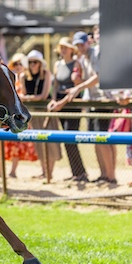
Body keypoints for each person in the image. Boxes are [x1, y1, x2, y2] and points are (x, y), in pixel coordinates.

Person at [65, 28, 118, 185]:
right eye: (78, 45)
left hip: (103, 101)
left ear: (88, 42)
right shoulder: (83, 59)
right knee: (96, 140)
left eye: (82, 44)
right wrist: (77, 84)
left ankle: (110, 176)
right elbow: (88, 81)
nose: (80, 48)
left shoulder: (97, 53)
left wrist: (78, 88)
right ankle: (104, 174)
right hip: (92, 101)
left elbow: (99, 77)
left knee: (103, 140)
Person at [0, 52, 38, 178]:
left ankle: (12, 172)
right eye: (16, 63)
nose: (18, 66)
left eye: (21, 63)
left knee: (16, 146)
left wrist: (21, 79)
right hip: (2, 116)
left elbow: (23, 95)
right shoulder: (7, 77)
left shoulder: (23, 78)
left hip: (16, 116)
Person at [48, 37, 88, 182]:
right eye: (61, 47)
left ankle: (80, 172)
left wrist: (77, 81)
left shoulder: (77, 63)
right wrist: (53, 99)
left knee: (71, 137)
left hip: (71, 104)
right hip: (60, 103)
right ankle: (76, 172)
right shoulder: (58, 64)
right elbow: (56, 85)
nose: (63, 49)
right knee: (66, 138)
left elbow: (79, 85)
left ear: (71, 49)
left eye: (66, 47)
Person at [18, 50, 62, 180]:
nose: (32, 65)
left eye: (35, 62)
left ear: (40, 63)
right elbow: (23, 96)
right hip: (33, 113)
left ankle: (49, 173)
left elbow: (43, 95)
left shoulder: (46, 74)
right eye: (30, 62)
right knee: (38, 142)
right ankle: (44, 172)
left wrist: (29, 98)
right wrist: (31, 98)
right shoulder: (23, 76)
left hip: (46, 112)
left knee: (51, 142)